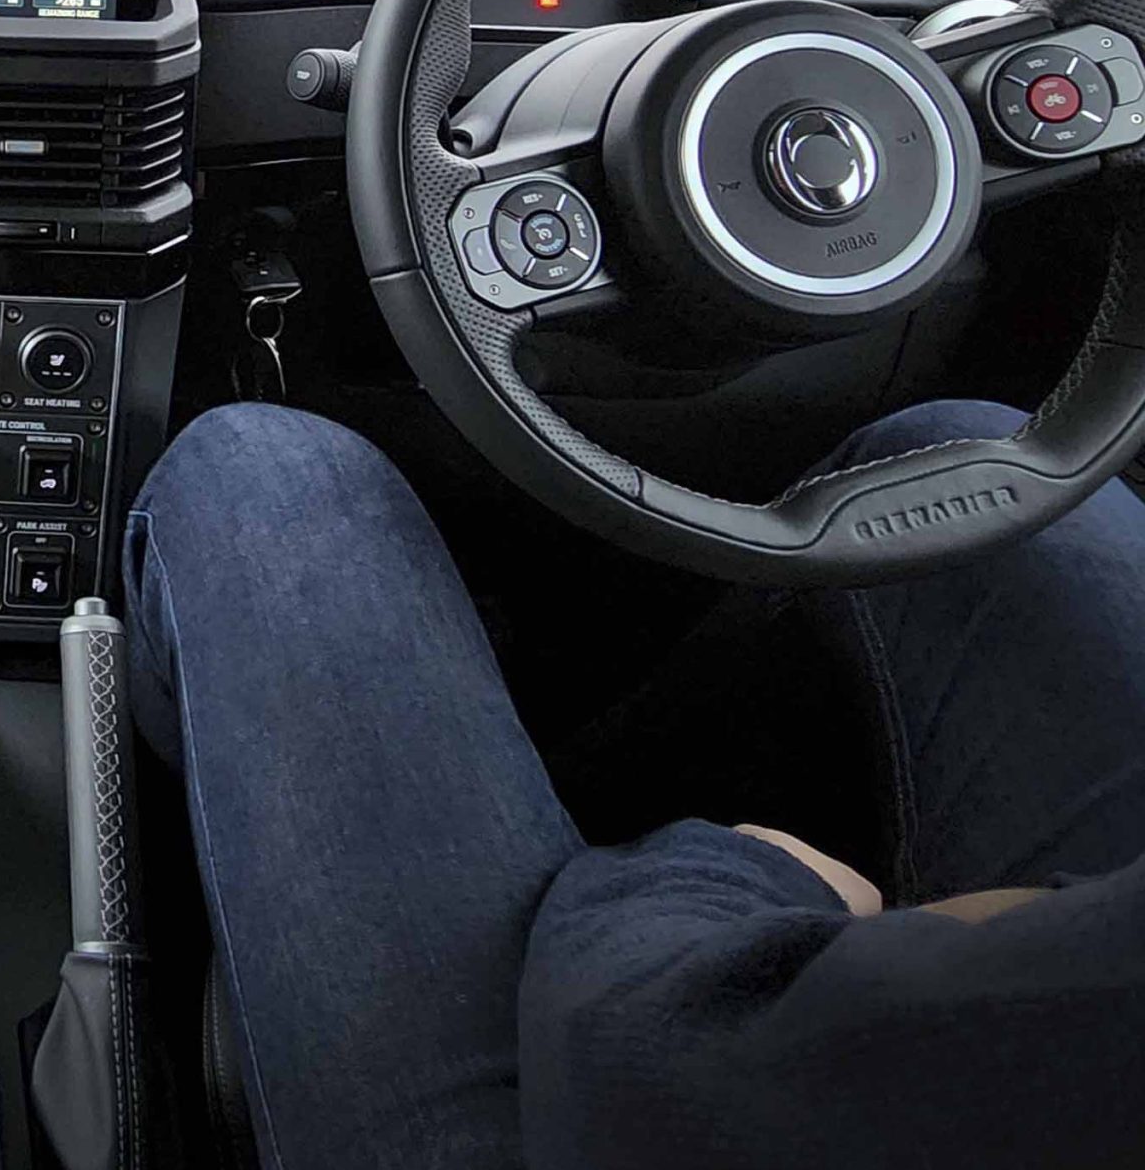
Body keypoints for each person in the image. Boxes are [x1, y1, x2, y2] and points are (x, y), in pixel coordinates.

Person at [128, 397, 1145, 1170]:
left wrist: (727, 865)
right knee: (959, 456)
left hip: (638, 1085)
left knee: (262, 474)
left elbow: (635, 1051)